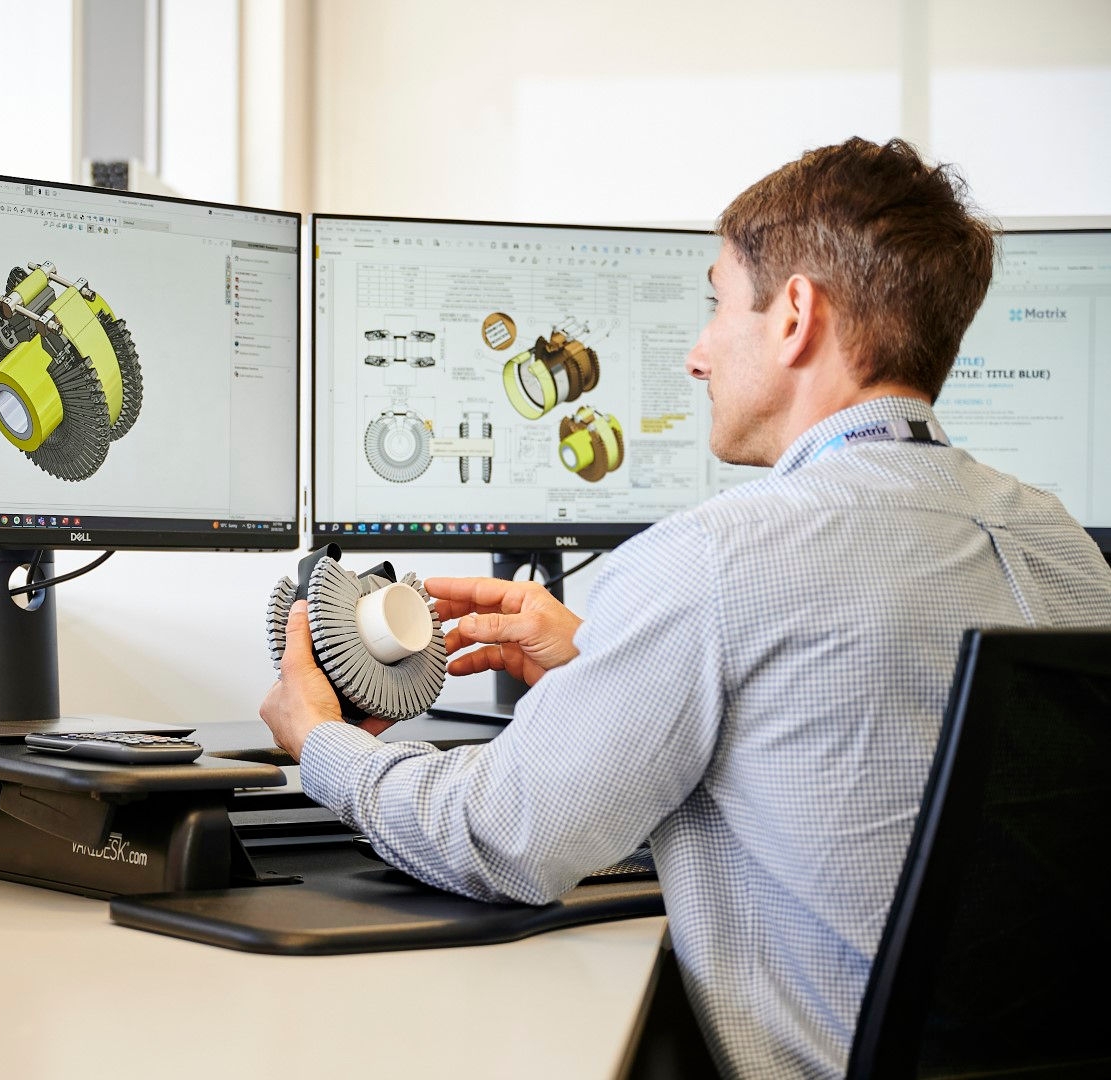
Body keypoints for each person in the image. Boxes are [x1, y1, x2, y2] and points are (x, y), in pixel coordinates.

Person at [259, 137, 1111, 1079]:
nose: (699, 354)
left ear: (794, 316)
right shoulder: (1061, 544)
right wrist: (612, 659)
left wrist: (324, 744)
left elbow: (497, 841)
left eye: (714, 301)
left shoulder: (717, 557)